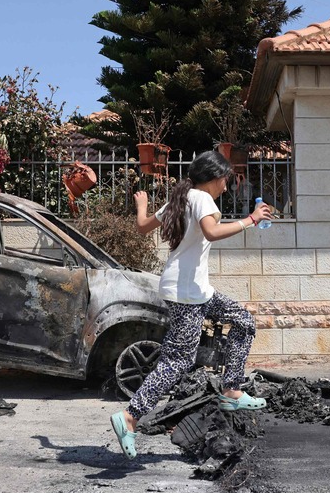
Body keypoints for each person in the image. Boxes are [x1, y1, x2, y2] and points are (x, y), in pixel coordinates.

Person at [109, 150, 272, 460]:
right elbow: (212, 231)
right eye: (225, 179)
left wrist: (141, 205)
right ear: (213, 178)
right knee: (177, 361)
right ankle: (130, 416)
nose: (227, 185)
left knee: (243, 321)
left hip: (193, 289)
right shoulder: (201, 199)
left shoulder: (181, 199)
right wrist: (251, 220)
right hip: (187, 292)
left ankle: (231, 389)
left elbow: (143, 226)